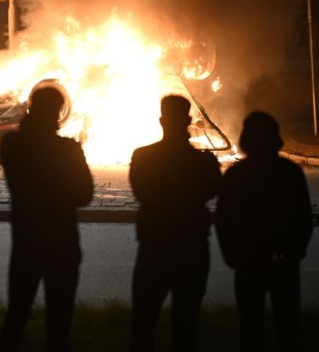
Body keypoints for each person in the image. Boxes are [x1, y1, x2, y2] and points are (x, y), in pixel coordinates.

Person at [0, 86, 93, 352]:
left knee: (16, 315)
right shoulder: (68, 149)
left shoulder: (12, 144)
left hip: (27, 242)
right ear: (58, 113)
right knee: (59, 323)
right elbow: (85, 195)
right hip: (62, 243)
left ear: (31, 107)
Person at [128, 95, 221, 352]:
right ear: (188, 120)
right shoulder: (203, 162)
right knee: (187, 326)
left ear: (161, 121)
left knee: (143, 324)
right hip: (191, 248)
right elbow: (213, 191)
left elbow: (141, 192)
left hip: (154, 247)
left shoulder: (143, 157)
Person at [216, 112, 313, 352]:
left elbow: (223, 219)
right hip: (283, 262)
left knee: (251, 329)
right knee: (288, 329)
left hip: (248, 263)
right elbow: (304, 218)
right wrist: (296, 252)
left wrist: (231, 255)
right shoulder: (290, 172)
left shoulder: (236, 175)